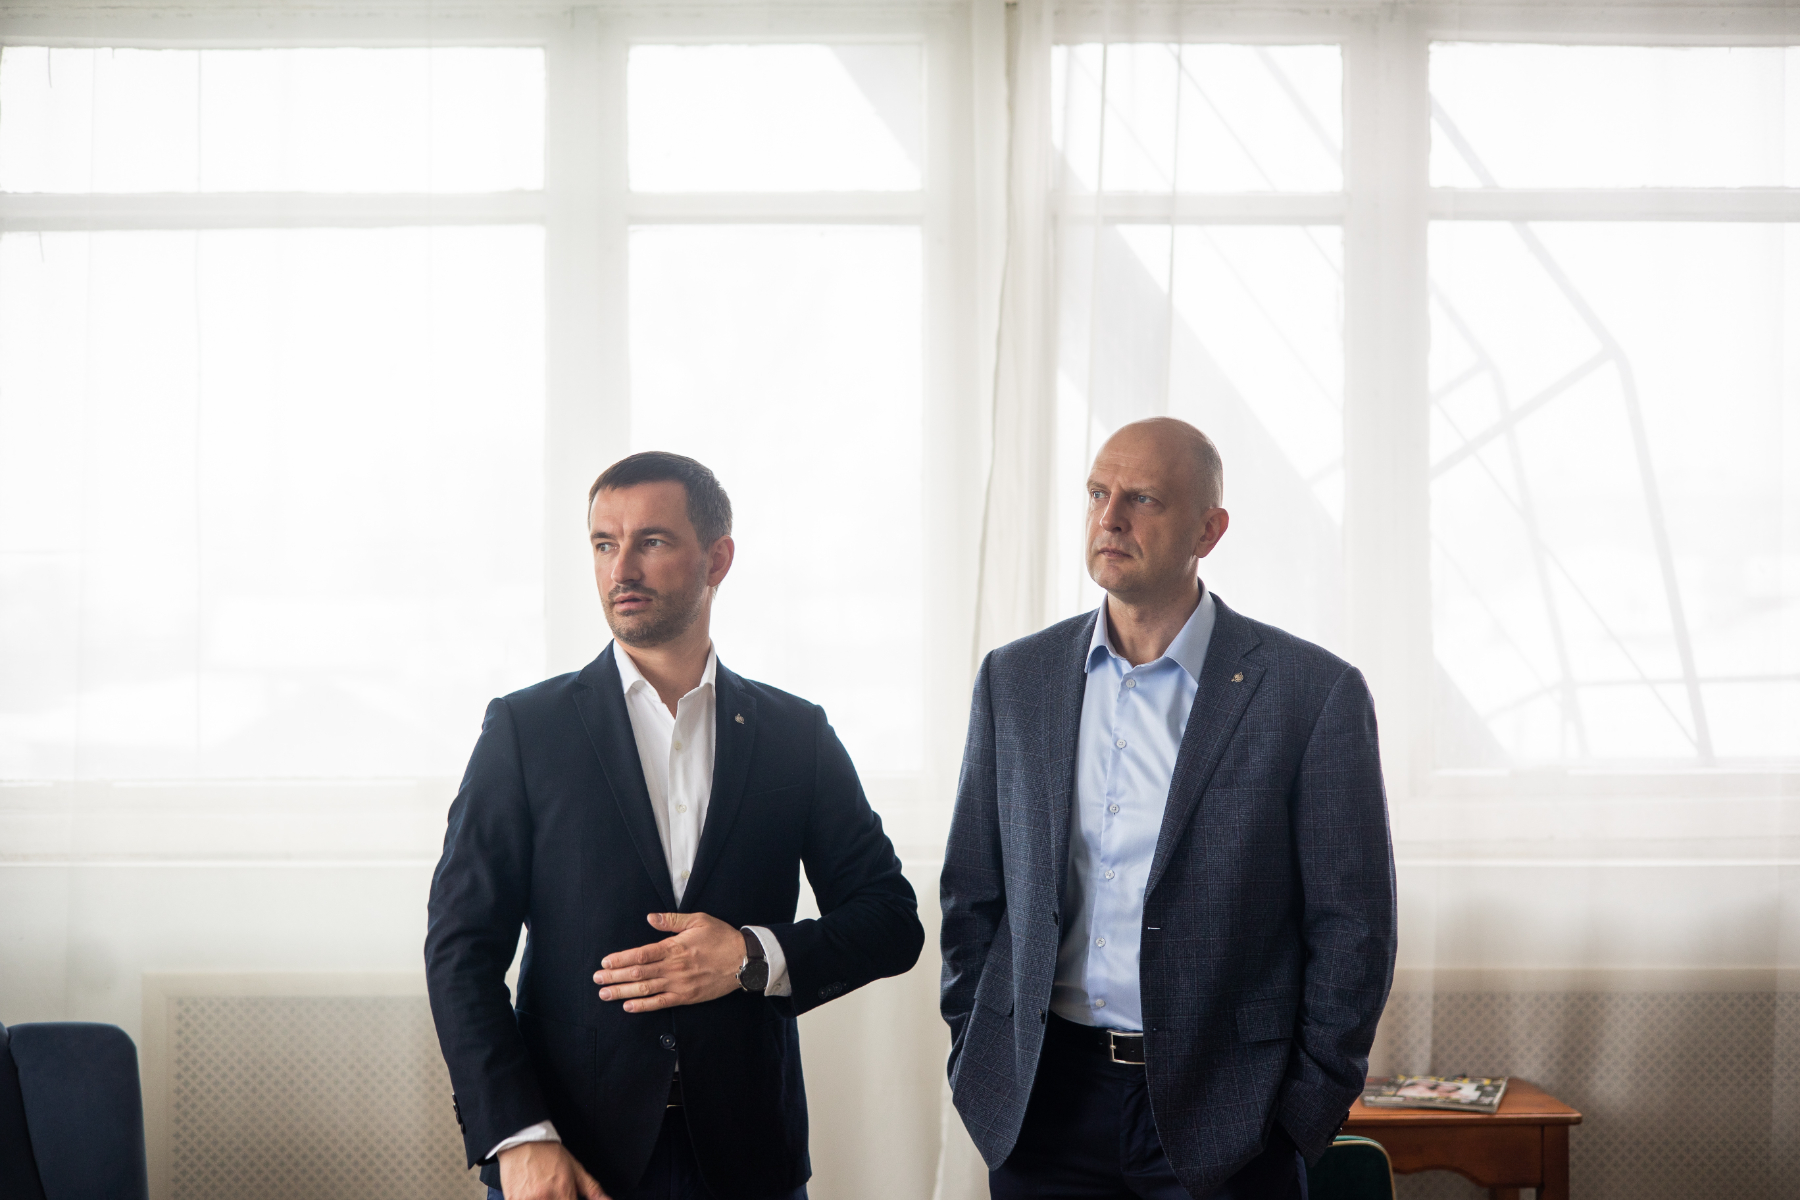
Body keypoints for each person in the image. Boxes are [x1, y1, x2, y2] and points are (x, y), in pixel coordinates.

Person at [427, 452, 924, 1200]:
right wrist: (519, 1138)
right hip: (569, 1161)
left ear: (717, 558)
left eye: (651, 541)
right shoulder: (525, 731)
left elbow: (891, 921)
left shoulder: (796, 735)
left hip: (749, 1161)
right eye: (604, 544)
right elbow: (461, 951)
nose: (621, 568)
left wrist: (750, 957)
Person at [940, 418, 1396, 1200]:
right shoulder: (1016, 680)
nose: (1110, 517)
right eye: (1097, 493)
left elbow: (1354, 928)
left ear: (1208, 531)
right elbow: (973, 891)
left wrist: (1299, 1113)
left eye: (1143, 499)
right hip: (1042, 1107)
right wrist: (976, 1051)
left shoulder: (1311, 694)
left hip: (1229, 1113)